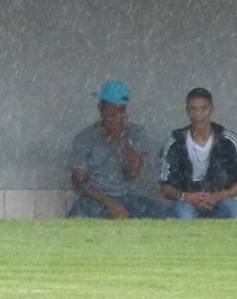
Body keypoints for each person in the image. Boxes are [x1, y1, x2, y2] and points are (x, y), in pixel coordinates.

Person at [68, 80, 169, 219]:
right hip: (96, 199)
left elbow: (133, 172)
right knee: (79, 213)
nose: (115, 115)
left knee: (163, 215)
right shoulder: (84, 138)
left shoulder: (137, 133)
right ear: (100, 108)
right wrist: (109, 203)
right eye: (111, 109)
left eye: (120, 109)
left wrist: (121, 138)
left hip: (128, 197)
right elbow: (78, 183)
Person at [158, 87, 237, 219]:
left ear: (211, 110)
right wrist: (185, 196)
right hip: (185, 201)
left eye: (203, 109)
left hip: (220, 199)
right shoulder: (175, 142)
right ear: (187, 112)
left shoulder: (227, 140)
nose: (198, 114)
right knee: (185, 216)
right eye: (193, 109)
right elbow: (164, 184)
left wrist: (219, 195)